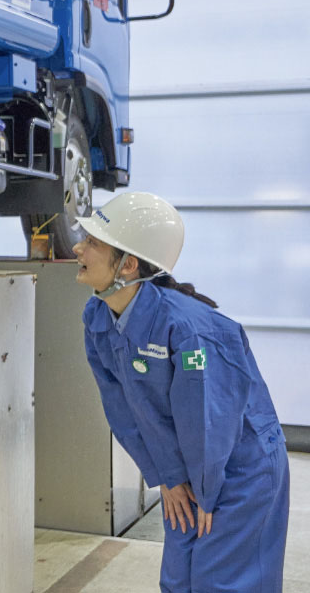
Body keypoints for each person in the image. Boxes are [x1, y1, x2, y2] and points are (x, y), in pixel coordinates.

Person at [75, 192, 288, 593]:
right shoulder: (98, 316)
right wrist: (169, 478)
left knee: (224, 583)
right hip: (187, 470)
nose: (78, 247)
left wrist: (206, 492)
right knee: (179, 581)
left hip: (239, 469)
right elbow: (124, 411)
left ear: (129, 264)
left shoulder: (190, 330)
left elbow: (209, 419)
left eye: (93, 243)